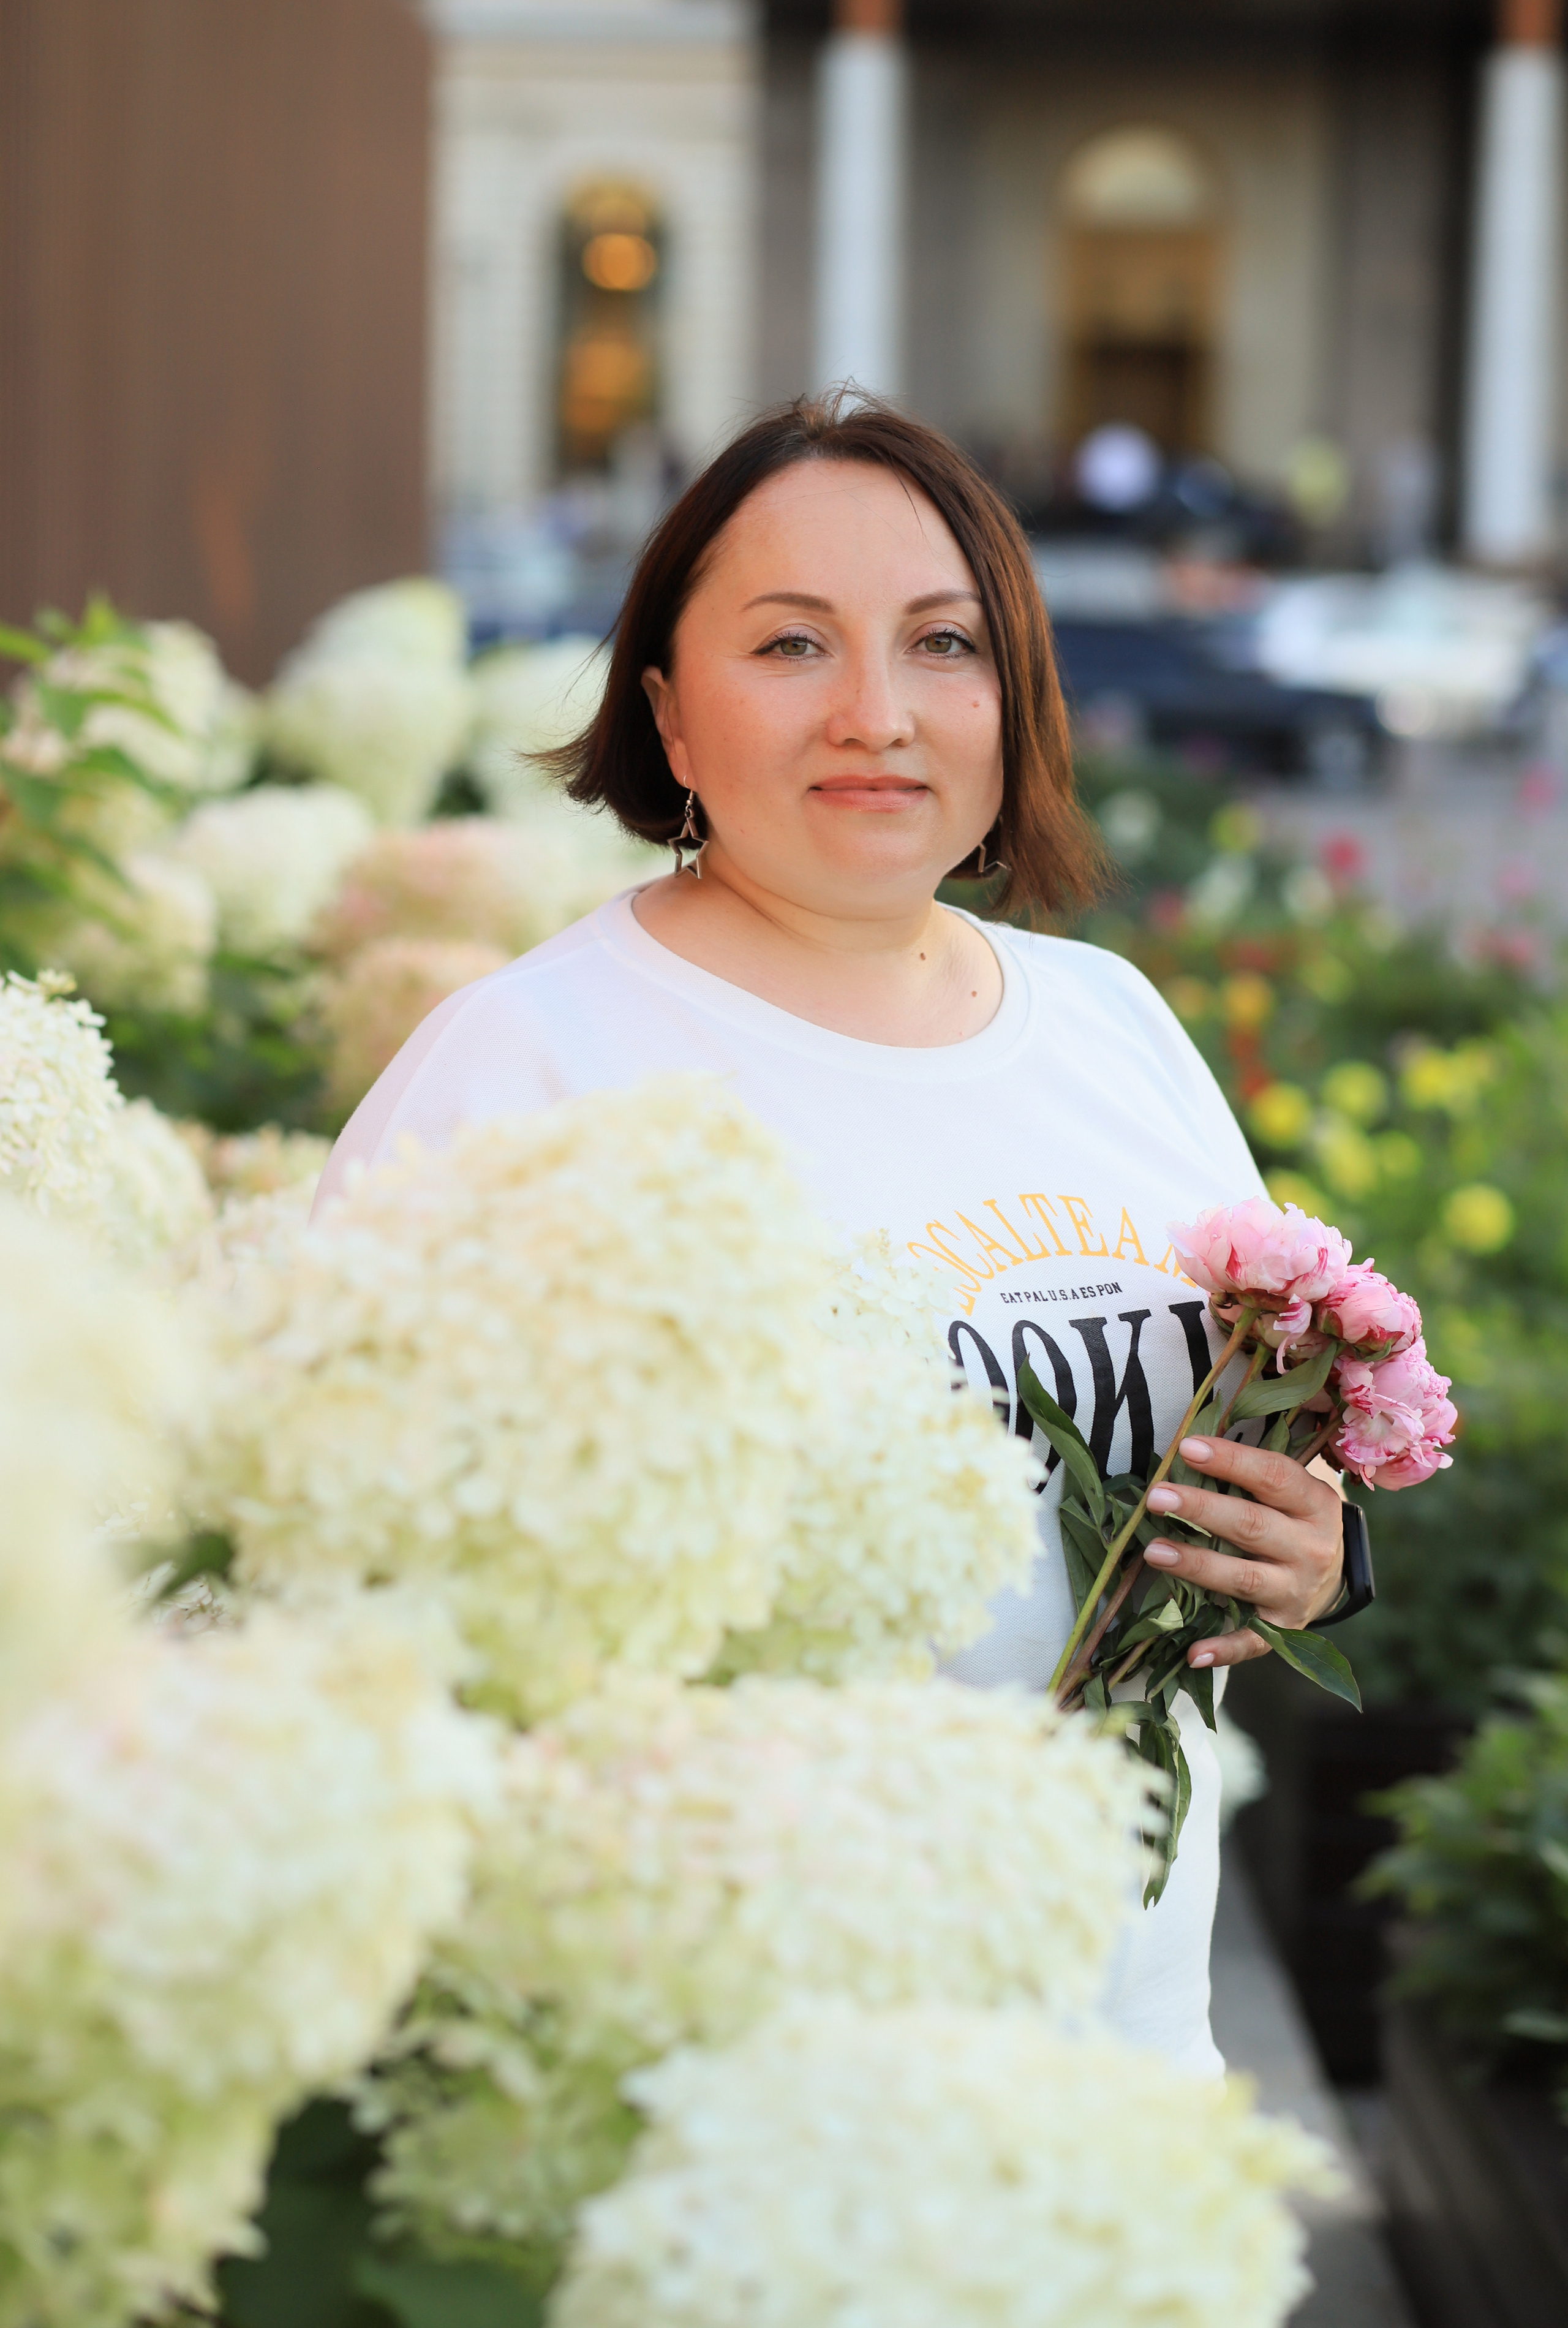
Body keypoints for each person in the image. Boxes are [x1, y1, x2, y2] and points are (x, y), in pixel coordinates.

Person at [314, 393, 1345, 2078]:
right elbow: (336, 1588)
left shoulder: (1109, 1023)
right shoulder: (531, 1066)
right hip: (719, 2064)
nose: (877, 715)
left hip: (1126, 2037)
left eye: (943, 646)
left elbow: (1235, 1442)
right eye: (792, 645)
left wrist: (1304, 1552)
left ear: (1014, 697)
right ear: (667, 709)